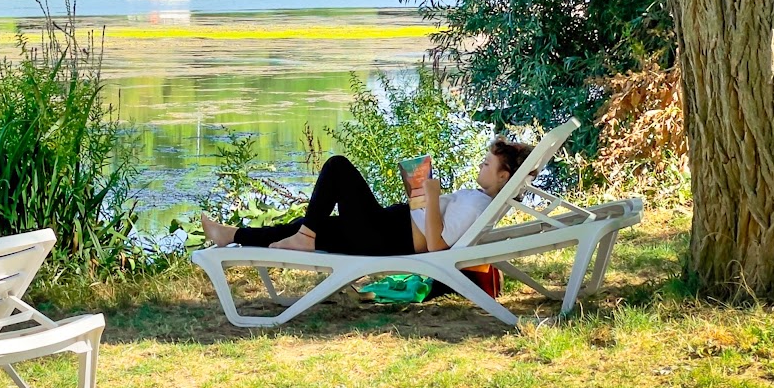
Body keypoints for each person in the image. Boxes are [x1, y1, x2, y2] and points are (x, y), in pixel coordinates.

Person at [199, 137, 535, 256]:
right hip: (388, 229)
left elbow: (437, 246)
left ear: (504, 177)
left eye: (488, 163)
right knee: (311, 225)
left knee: (338, 167)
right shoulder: (478, 197)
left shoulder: (479, 205)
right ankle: (231, 235)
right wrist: (419, 192)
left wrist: (431, 199)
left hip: (386, 238)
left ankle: (302, 238)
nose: (481, 163)